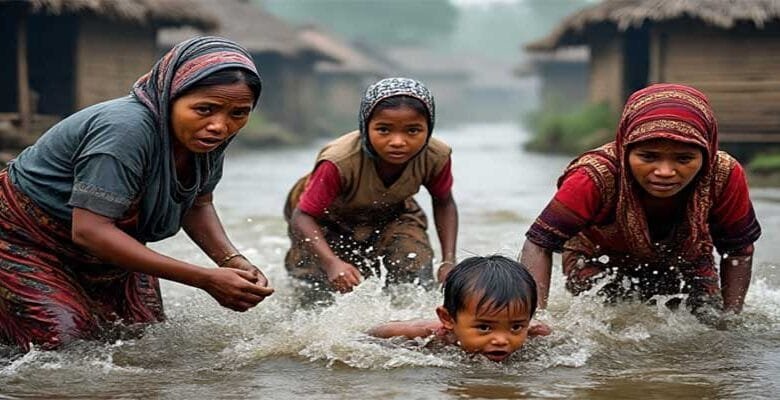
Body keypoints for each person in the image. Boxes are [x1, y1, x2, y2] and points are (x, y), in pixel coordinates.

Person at [0, 36, 274, 352]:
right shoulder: (125, 131)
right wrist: (205, 278)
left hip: (107, 247)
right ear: (169, 96)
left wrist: (232, 259)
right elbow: (90, 231)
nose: (219, 126)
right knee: (63, 346)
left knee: (141, 341)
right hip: (24, 241)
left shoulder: (203, 139)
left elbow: (198, 203)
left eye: (238, 113)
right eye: (204, 109)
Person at [521, 83, 761, 318]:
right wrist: (533, 320)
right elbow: (539, 243)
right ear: (625, 148)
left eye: (684, 159)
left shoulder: (723, 174)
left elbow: (738, 250)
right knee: (606, 321)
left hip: (686, 259)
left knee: (708, 320)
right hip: (599, 258)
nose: (665, 171)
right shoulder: (594, 177)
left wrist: (731, 318)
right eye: (648, 157)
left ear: (706, 153)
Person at [283, 77, 458, 292]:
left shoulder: (435, 156)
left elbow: (444, 202)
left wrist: (449, 260)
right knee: (316, 287)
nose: (398, 142)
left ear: (428, 129)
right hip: (324, 218)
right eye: (384, 130)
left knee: (414, 267)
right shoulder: (339, 161)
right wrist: (331, 263)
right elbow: (302, 217)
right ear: (366, 126)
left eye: (413, 131)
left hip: (391, 211)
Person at [369, 255, 549, 362]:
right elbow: (377, 332)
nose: (501, 340)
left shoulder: (534, 332)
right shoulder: (429, 335)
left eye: (516, 327)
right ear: (447, 319)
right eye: (484, 327)